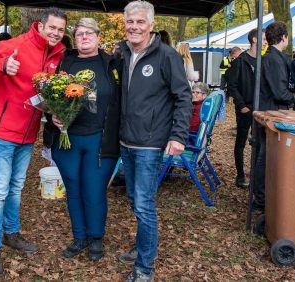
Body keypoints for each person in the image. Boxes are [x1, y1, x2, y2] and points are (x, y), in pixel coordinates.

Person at [0, 7, 67, 275]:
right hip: (1, 132)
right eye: (53, 28)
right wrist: (1, 65)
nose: (56, 33)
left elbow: (45, 93)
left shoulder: (56, 56)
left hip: (28, 134)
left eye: (61, 30)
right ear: (41, 26)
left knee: (16, 187)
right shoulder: (16, 45)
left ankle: (10, 233)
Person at [115, 1, 192, 281]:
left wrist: (178, 135)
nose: (134, 27)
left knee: (145, 204)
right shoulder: (122, 53)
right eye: (130, 22)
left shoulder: (167, 56)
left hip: (150, 143)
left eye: (140, 22)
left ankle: (144, 268)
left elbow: (183, 97)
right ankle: (140, 249)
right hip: (126, 141)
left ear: (151, 24)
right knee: (135, 199)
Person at [43, 17, 121, 261]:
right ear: (74, 39)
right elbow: (48, 93)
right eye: (79, 34)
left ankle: (96, 237)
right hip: (68, 139)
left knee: (94, 190)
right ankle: (79, 237)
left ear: (98, 37)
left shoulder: (112, 63)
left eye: (89, 33)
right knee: (74, 189)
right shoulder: (65, 61)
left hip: (100, 140)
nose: (84, 37)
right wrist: (52, 114)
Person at [254, 21, 294, 210]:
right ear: (284, 37)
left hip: (271, 111)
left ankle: (262, 196)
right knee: (265, 155)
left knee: (266, 155)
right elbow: (279, 92)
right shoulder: (272, 59)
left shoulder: (273, 58)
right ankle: (261, 198)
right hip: (271, 113)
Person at [227, 28, 266, 189]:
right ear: (255, 39)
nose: (265, 41)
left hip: (260, 108)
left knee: (258, 142)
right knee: (241, 142)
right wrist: (241, 105)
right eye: (263, 39)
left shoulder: (263, 61)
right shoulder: (240, 61)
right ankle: (241, 175)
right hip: (245, 108)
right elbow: (233, 85)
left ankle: (256, 175)